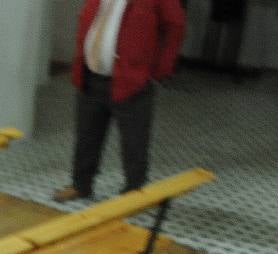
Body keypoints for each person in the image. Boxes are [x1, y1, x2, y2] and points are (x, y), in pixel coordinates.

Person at [53, 0, 184, 203]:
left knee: (134, 140)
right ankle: (81, 184)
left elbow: (174, 27)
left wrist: (160, 69)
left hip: (132, 81)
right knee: (86, 136)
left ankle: (134, 191)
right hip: (90, 76)